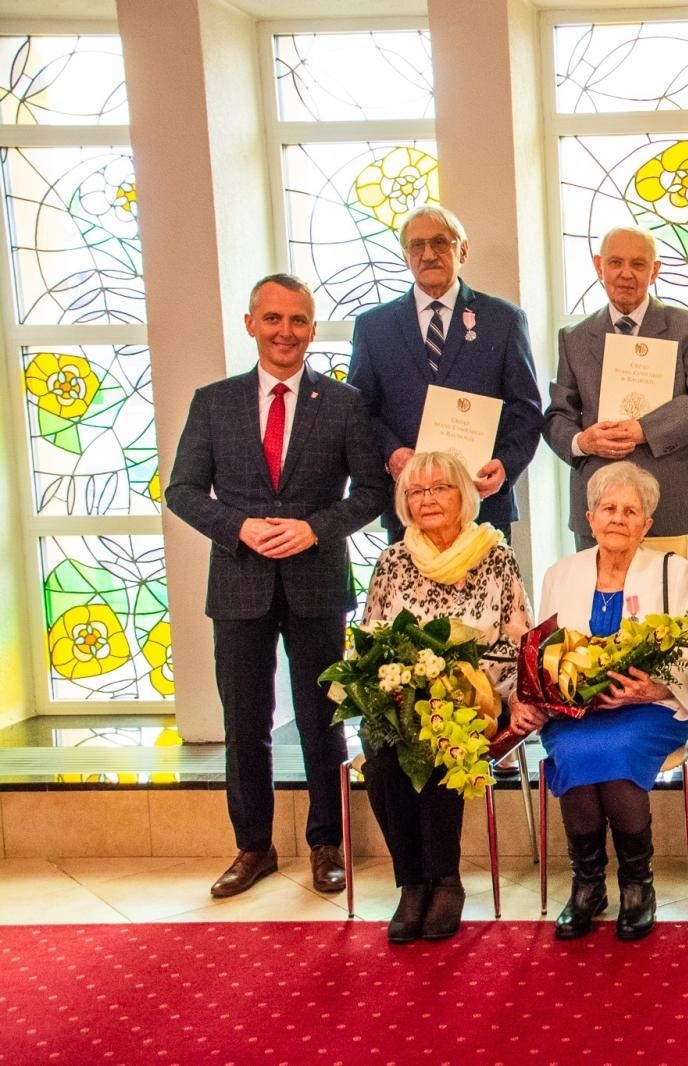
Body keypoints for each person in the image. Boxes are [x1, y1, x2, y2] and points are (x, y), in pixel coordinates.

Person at [166, 274, 387, 899]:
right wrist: (237, 526)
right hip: (238, 584)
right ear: (251, 324)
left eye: (297, 321)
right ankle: (253, 847)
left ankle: (326, 844)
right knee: (245, 721)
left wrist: (313, 530)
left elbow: (371, 492)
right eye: (272, 319)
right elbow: (181, 490)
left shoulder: (342, 404)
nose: (284, 331)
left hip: (317, 582)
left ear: (313, 330)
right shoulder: (213, 401)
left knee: (324, 719)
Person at [360, 451, 533, 942]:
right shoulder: (393, 560)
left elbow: (517, 636)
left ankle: (445, 880)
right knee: (382, 752)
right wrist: (394, 687)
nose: (427, 499)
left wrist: (496, 694)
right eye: (416, 491)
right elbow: (372, 635)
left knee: (439, 740)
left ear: (465, 494)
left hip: (479, 693)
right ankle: (411, 883)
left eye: (440, 488)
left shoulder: (494, 553)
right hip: (403, 695)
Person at [536, 462, 688, 941]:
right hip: (576, 712)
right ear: (590, 518)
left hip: (651, 709)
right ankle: (588, 886)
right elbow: (542, 652)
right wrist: (560, 691)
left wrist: (653, 688)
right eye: (608, 508)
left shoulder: (673, 570)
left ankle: (637, 886)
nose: (617, 518)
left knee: (615, 758)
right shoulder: (560, 573)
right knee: (573, 752)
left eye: (630, 511)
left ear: (646, 525)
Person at [546, 225, 688, 596]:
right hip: (600, 505)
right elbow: (558, 415)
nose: (626, 274)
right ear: (599, 267)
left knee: (681, 618)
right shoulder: (575, 338)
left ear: (654, 270)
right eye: (615, 263)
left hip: (675, 499)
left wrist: (645, 429)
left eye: (638, 264)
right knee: (599, 621)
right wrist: (583, 440)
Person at [348, 204, 544, 540]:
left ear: (462, 250)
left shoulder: (503, 319)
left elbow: (525, 408)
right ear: (406, 255)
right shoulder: (373, 326)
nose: (428, 254)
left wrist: (505, 466)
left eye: (440, 243)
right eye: (416, 246)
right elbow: (360, 410)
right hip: (409, 505)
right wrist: (392, 453)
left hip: (481, 502)